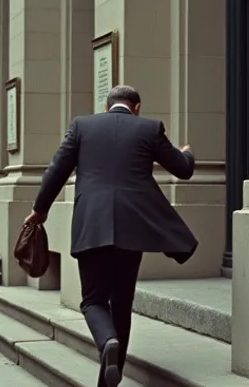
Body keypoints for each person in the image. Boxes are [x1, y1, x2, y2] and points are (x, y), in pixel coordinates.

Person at [26, 85, 197, 387]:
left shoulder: (82, 126)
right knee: (121, 301)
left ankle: (107, 343)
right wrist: (187, 153)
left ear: (106, 108)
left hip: (92, 224)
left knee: (93, 300)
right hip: (132, 228)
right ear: (137, 107)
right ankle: (108, 381)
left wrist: (40, 211)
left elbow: (56, 170)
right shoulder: (149, 128)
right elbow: (182, 170)